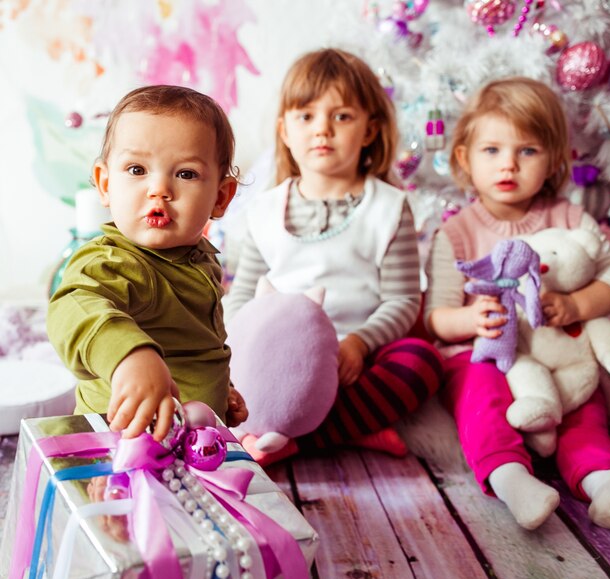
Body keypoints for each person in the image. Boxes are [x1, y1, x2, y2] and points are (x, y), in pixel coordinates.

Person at [224, 48, 443, 466]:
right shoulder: (264, 212)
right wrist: (242, 349)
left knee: (422, 361)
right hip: (280, 357)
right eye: (306, 116)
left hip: (354, 359)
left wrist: (360, 344)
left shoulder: (389, 208)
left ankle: (300, 439)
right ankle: (356, 427)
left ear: (369, 130)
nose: (322, 129)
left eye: (341, 116)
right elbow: (241, 298)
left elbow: (402, 300)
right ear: (284, 130)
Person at [425, 76, 610, 530]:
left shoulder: (568, 218)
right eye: (492, 150)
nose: (508, 165)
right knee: (481, 398)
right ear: (464, 158)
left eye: (527, 151)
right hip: (487, 356)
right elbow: (435, 317)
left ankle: (605, 480)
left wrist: (576, 305)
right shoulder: (456, 233)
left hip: (560, 358)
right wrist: (472, 318)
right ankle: (512, 478)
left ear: (553, 159)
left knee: (585, 409)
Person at [47, 85, 248, 442]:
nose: (159, 189)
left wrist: (220, 387)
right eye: (137, 169)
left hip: (191, 443)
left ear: (220, 197)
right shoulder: (115, 262)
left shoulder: (199, 258)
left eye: (185, 174)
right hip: (123, 444)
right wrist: (129, 356)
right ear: (105, 184)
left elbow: (196, 343)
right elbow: (74, 308)